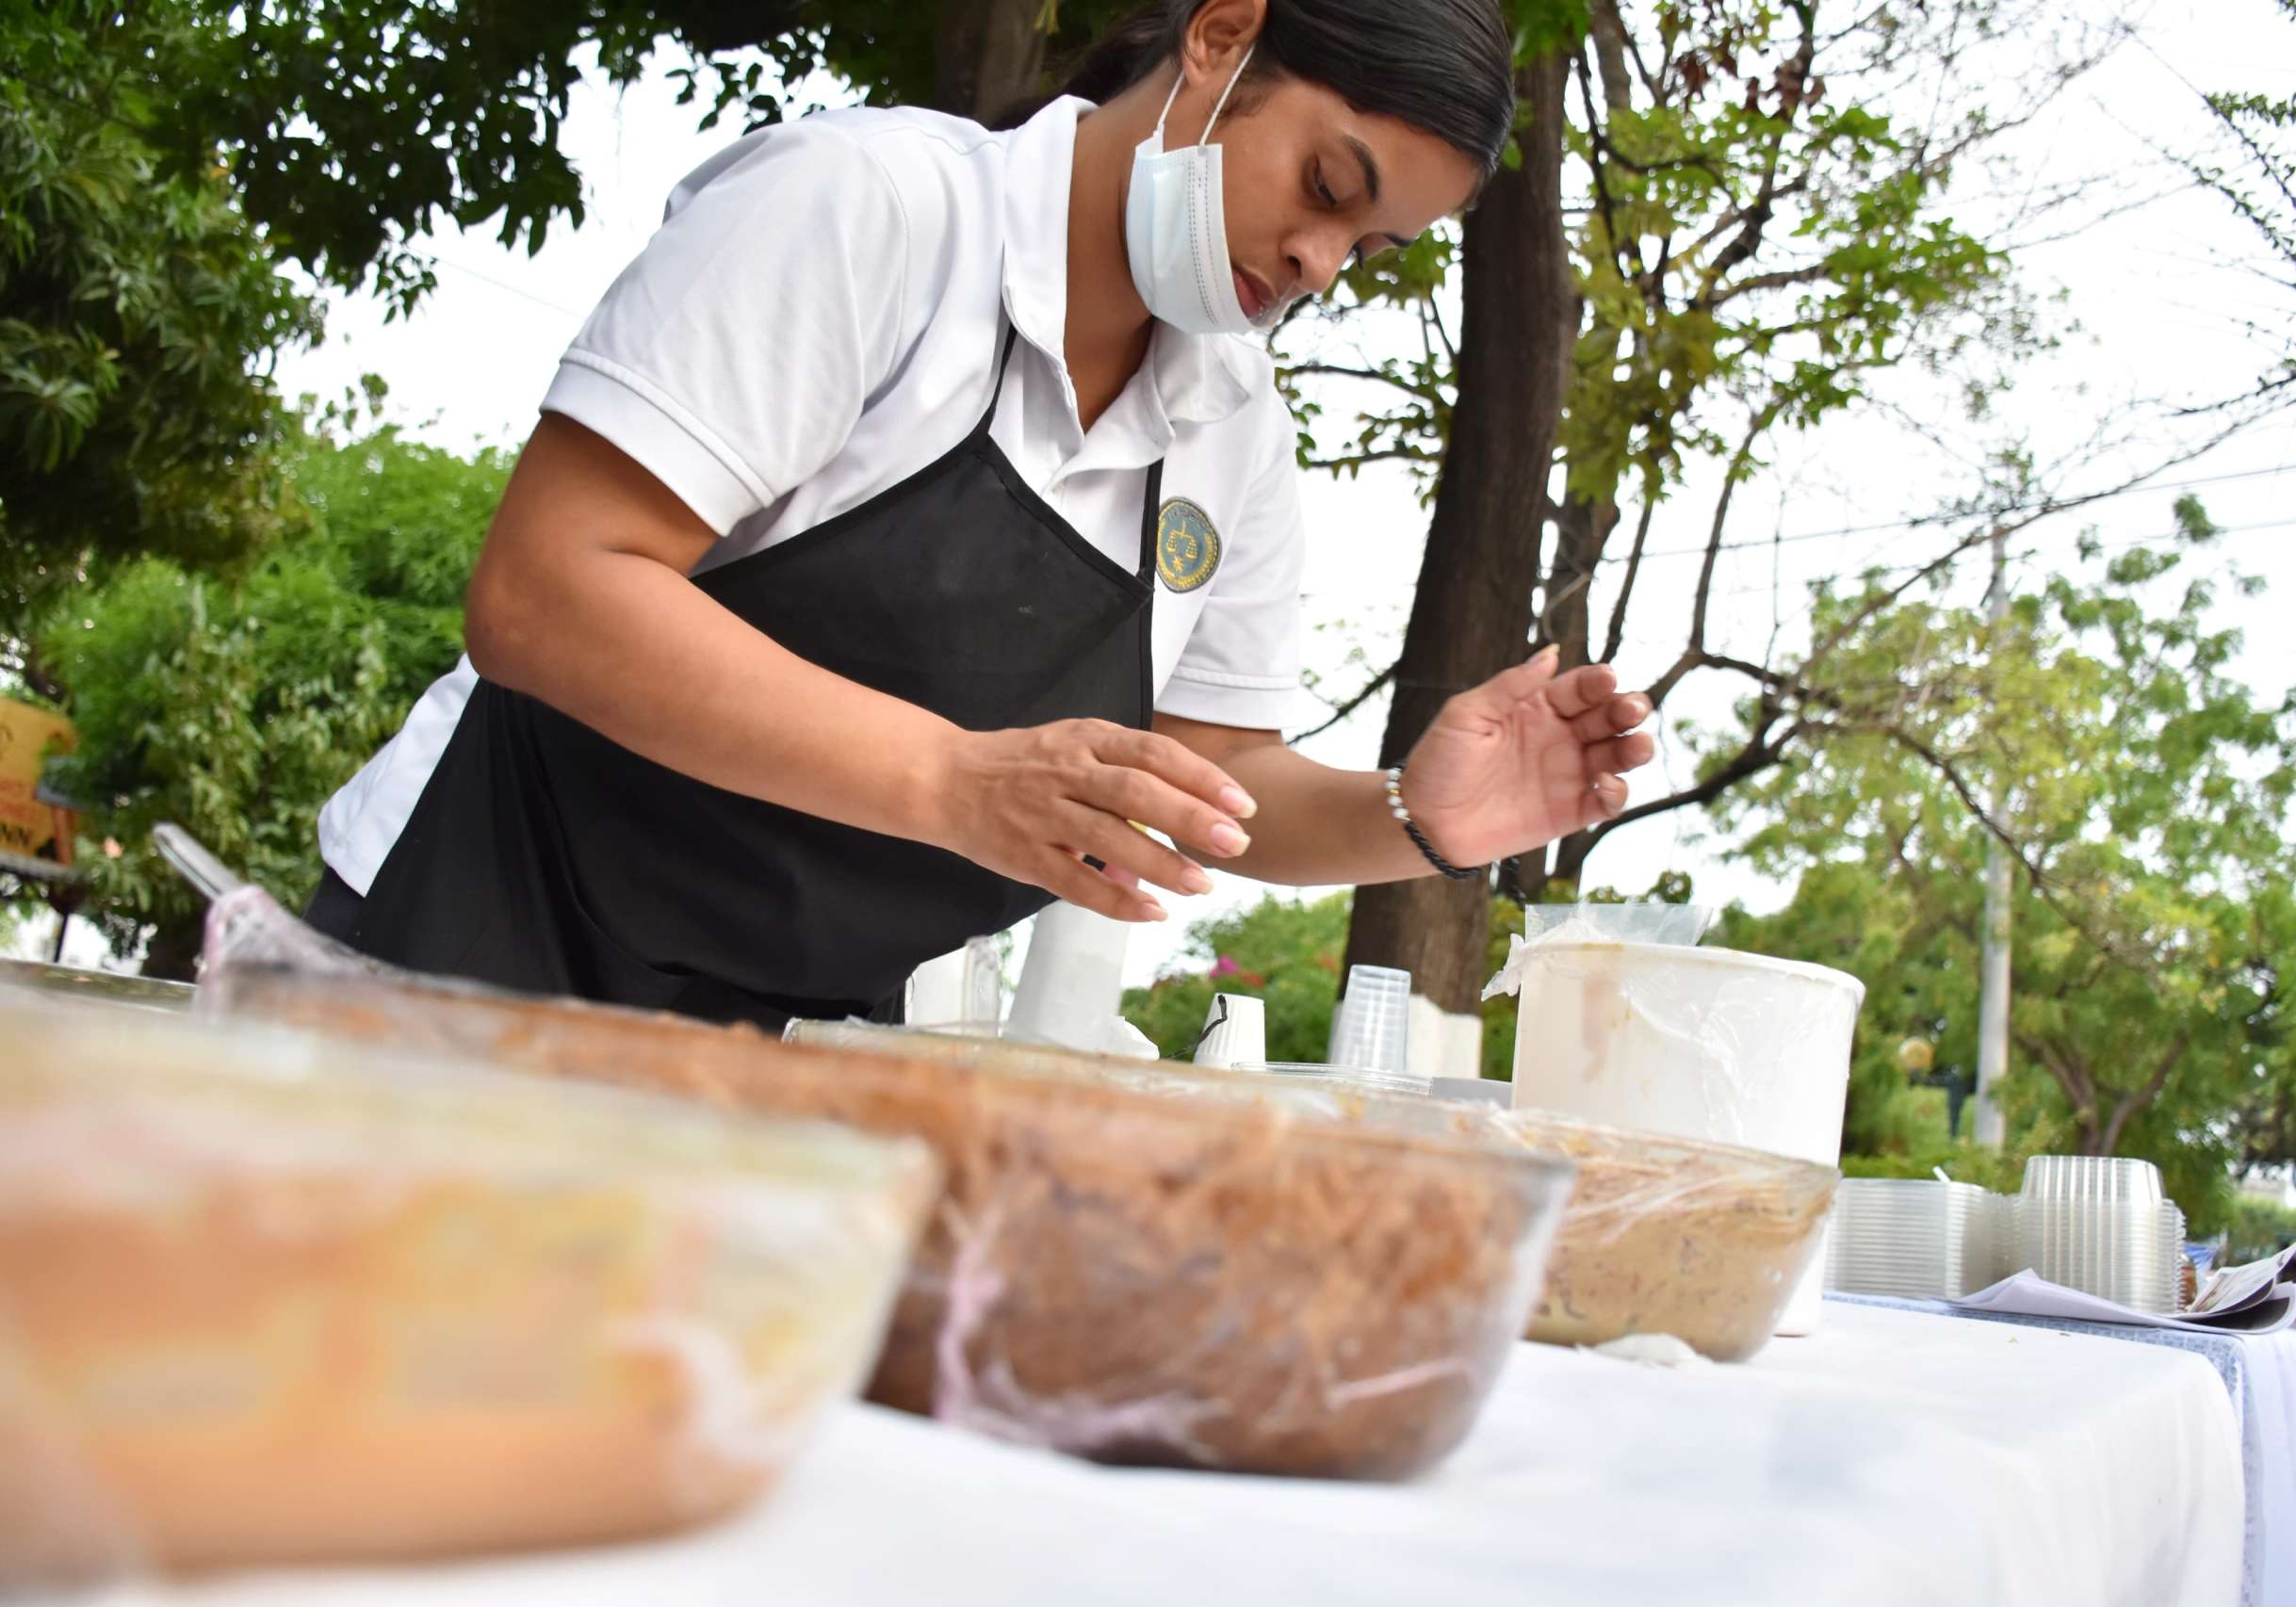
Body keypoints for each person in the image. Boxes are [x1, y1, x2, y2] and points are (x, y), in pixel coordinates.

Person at [305, 0, 1659, 1030]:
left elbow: (1213, 775)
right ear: (1224, 37)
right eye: (1325, 187)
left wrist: (1412, 816)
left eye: (1367, 253)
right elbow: (548, 585)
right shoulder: (870, 209)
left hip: (783, 1059)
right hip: (469, 953)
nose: (1315, 264)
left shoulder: (1233, 430)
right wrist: (952, 783)